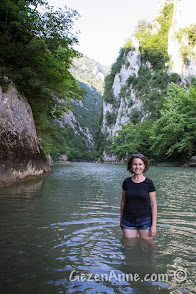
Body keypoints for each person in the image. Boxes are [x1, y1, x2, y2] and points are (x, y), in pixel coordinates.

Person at [120, 154, 157, 239]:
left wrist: (154, 225)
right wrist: (121, 220)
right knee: (129, 247)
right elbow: (123, 202)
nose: (137, 167)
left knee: (149, 248)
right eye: (135, 164)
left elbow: (153, 204)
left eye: (140, 164)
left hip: (146, 220)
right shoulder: (126, 182)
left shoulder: (149, 183)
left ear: (144, 166)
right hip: (128, 220)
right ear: (131, 166)